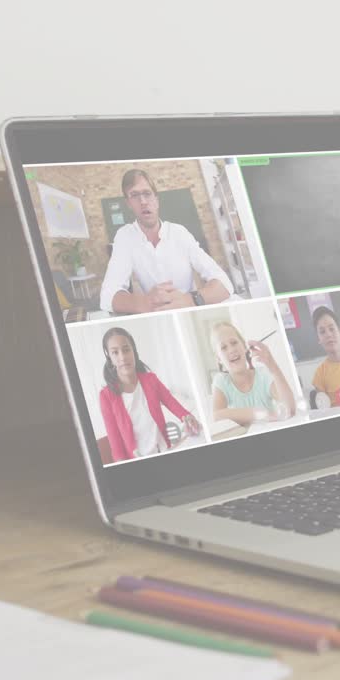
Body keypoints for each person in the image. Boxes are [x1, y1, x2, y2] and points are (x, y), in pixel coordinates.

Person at [98, 169, 233, 315]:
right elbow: (107, 297)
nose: (143, 201)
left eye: (147, 194)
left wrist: (190, 300)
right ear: (129, 204)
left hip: (188, 309)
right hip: (156, 312)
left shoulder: (179, 233)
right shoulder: (125, 236)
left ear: (156, 200)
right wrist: (144, 302)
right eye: (134, 195)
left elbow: (224, 284)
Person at [98, 327, 201, 463]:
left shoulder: (150, 380)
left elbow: (171, 401)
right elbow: (115, 441)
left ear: (133, 351)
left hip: (164, 450)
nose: (122, 357)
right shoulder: (106, 396)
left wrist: (186, 416)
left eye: (126, 349)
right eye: (115, 352)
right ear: (109, 358)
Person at [209, 321, 297, 427]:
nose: (231, 350)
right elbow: (217, 416)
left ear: (244, 347)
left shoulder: (263, 375)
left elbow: (290, 409)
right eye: (224, 348)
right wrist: (261, 414)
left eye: (234, 343)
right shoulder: (221, 381)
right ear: (219, 358)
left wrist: (272, 366)